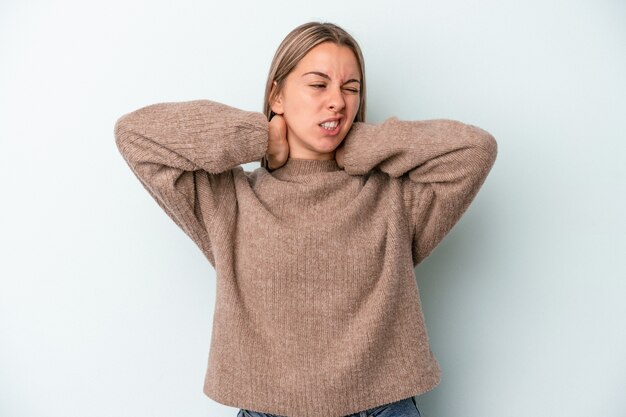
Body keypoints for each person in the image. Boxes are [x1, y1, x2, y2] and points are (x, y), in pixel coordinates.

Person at [114, 21, 497, 417]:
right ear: (277, 95)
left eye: (351, 89)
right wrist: (260, 137)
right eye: (319, 85)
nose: (338, 101)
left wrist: (364, 142)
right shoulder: (228, 200)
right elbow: (136, 135)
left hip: (382, 408)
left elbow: (476, 150)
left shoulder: (394, 197)